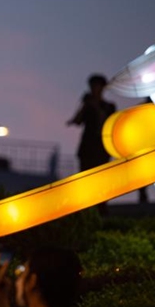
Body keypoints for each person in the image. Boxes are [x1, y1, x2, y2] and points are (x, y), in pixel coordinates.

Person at [68, 74, 116, 214]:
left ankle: (101, 208)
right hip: (87, 148)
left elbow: (108, 123)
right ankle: (85, 208)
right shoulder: (87, 105)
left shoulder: (109, 107)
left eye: (97, 86)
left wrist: (95, 106)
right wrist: (84, 105)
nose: (94, 89)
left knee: (101, 179)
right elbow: (77, 121)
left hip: (101, 149)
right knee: (85, 178)